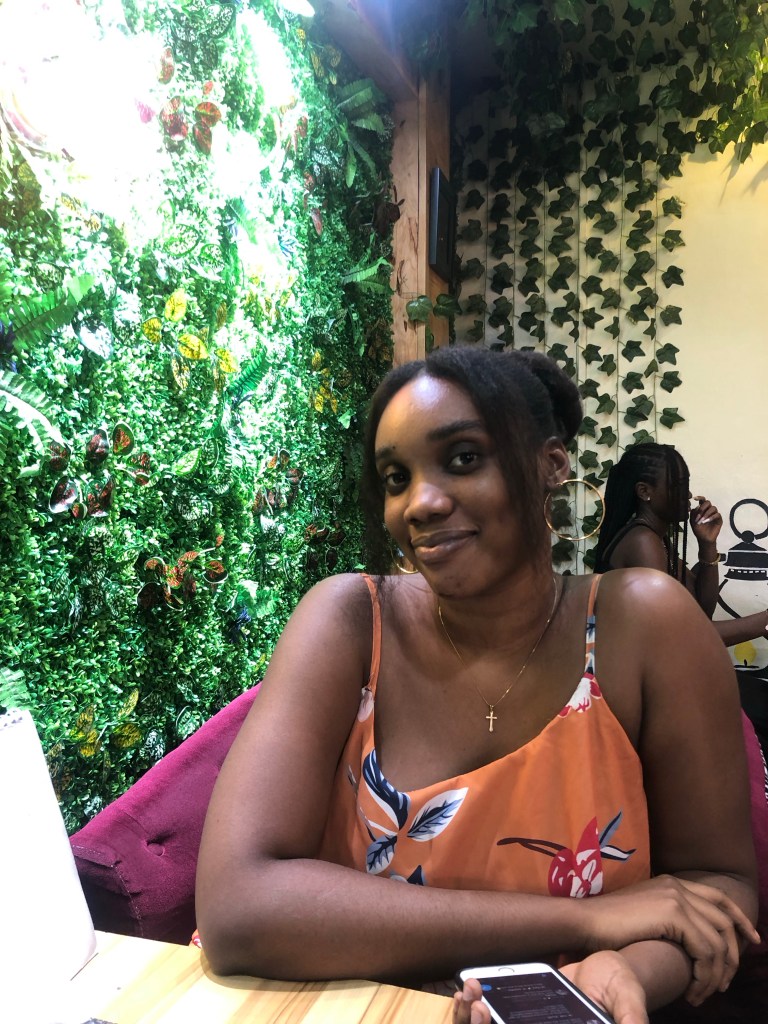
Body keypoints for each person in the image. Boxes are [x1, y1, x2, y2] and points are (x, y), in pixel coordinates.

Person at [195, 346, 759, 1024]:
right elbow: (238, 906)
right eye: (396, 477)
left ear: (552, 464)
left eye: (463, 458)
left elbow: (718, 886)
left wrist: (619, 971)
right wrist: (587, 921)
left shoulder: (645, 625)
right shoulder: (349, 620)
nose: (422, 503)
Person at [592, 443, 768, 647]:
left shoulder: (658, 540)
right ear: (644, 491)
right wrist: (764, 622)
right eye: (678, 486)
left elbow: (702, 612)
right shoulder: (642, 541)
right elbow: (678, 635)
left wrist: (707, 544)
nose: (688, 494)